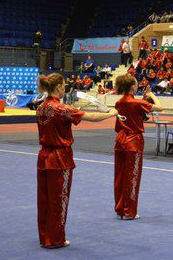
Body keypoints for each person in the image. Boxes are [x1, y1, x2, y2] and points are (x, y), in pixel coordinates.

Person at [36, 73, 117, 248]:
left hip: (43, 157)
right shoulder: (62, 108)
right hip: (59, 158)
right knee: (60, 199)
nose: (65, 88)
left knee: (44, 199)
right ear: (58, 87)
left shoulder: (40, 107)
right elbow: (93, 118)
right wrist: (112, 113)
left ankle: (45, 236)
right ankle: (56, 238)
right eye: (64, 85)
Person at [113, 75, 163, 220]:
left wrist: (142, 98)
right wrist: (151, 95)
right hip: (133, 141)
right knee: (132, 177)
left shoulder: (119, 102)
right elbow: (159, 107)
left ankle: (120, 208)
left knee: (120, 176)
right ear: (133, 87)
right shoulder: (137, 103)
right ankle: (129, 211)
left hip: (120, 140)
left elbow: (133, 108)